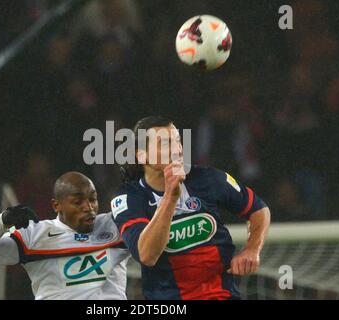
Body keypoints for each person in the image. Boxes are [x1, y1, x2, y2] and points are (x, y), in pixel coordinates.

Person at [112, 116, 271, 300]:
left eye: (178, 141)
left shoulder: (208, 178)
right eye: (165, 144)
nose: (177, 150)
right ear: (141, 155)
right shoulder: (129, 198)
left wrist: (252, 249)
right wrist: (170, 198)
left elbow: (258, 209)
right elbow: (147, 255)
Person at [0, 172, 130, 300]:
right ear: (56, 205)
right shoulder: (34, 236)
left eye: (92, 199)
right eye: (78, 202)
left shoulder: (115, 224)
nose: (89, 207)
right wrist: (1, 222)